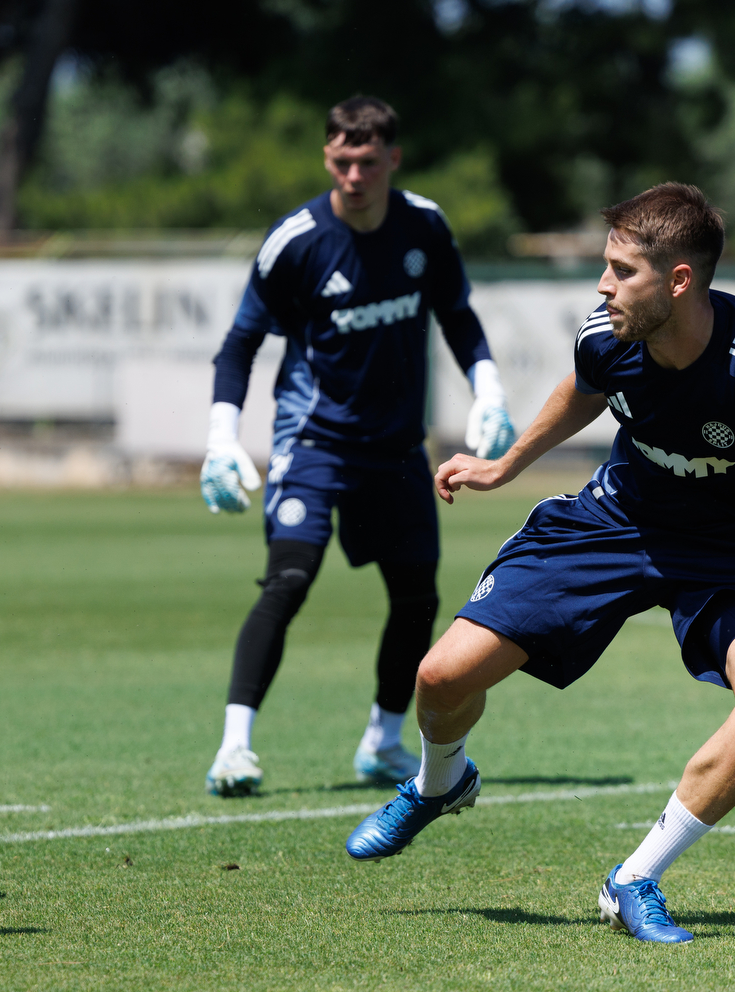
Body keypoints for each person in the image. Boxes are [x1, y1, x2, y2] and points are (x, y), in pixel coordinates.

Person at [341, 183, 735, 943]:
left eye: (623, 271)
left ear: (678, 281)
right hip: (616, 521)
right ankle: (438, 782)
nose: (604, 285)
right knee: (442, 677)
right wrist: (505, 464)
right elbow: (584, 387)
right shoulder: (609, 331)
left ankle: (634, 879)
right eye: (606, 267)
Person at [200, 96, 516, 797]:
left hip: (398, 448)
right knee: (288, 579)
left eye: (368, 162)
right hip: (314, 442)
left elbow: (458, 316)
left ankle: (382, 742)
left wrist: (488, 392)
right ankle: (234, 748)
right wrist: (222, 439)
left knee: (416, 596)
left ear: (392, 159)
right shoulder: (296, 242)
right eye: (343, 161)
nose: (354, 175)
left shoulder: (424, 226)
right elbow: (240, 343)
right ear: (327, 157)